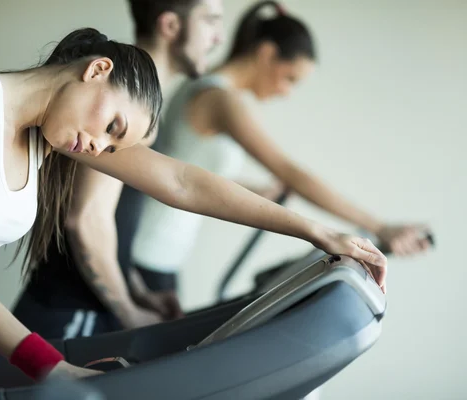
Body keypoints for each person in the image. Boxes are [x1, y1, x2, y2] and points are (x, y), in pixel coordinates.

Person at [0, 25, 387, 394]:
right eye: (111, 128)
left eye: (113, 146)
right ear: (97, 70)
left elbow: (181, 181)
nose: (98, 148)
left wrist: (317, 232)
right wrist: (52, 368)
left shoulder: (45, 139)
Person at [129, 0, 432, 298]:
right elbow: (289, 172)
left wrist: (254, 191)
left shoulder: (205, 88)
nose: (286, 92)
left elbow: (185, 165)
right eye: (289, 78)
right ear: (266, 53)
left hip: (159, 253)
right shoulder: (220, 99)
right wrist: (379, 226)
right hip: (147, 253)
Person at [11, 0, 230, 338]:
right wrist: (129, 311)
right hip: (69, 312)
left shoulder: (132, 110)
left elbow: (113, 220)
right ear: (170, 25)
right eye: (211, 21)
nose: (217, 38)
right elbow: (86, 219)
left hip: (76, 307)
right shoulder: (119, 105)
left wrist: (138, 291)